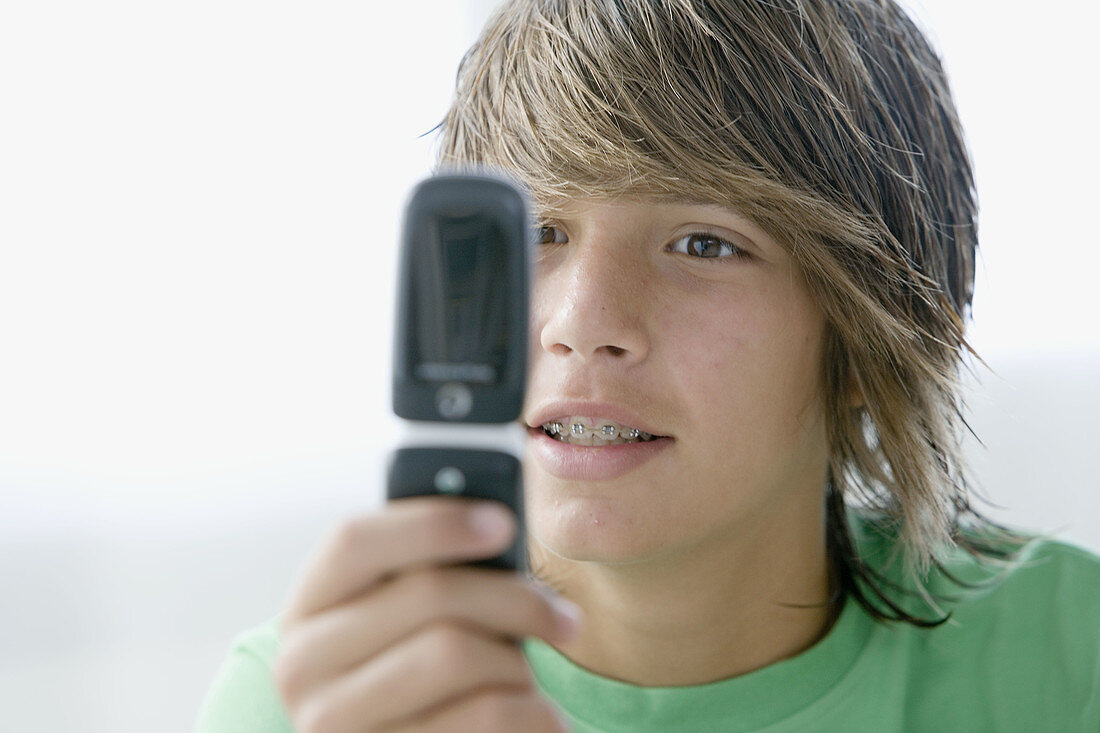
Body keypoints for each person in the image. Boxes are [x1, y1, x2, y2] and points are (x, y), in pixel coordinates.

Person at [196, 1, 1100, 731]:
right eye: (541, 232)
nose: (583, 324)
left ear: (875, 333)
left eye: (705, 242)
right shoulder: (319, 706)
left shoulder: (1071, 654)